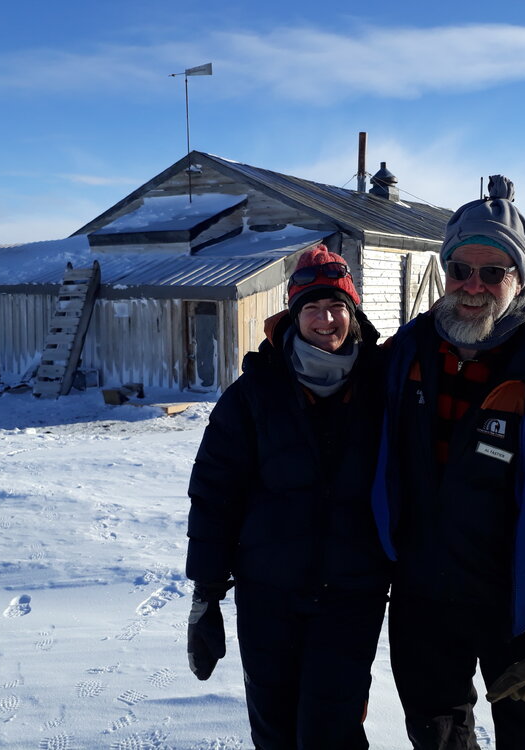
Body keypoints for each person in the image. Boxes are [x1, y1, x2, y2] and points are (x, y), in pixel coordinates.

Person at [371, 176, 525, 749]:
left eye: (492, 272)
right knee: (436, 735)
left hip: (522, 610)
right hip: (423, 598)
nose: (472, 287)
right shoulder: (405, 357)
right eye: (460, 270)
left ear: (520, 278)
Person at [185, 244, 391, 750]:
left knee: (332, 731)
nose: (326, 319)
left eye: (338, 307)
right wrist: (206, 594)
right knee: (274, 728)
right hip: (267, 596)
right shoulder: (253, 394)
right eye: (313, 308)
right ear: (293, 314)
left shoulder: (384, 388)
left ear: (354, 313)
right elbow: (214, 495)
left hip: (351, 595)